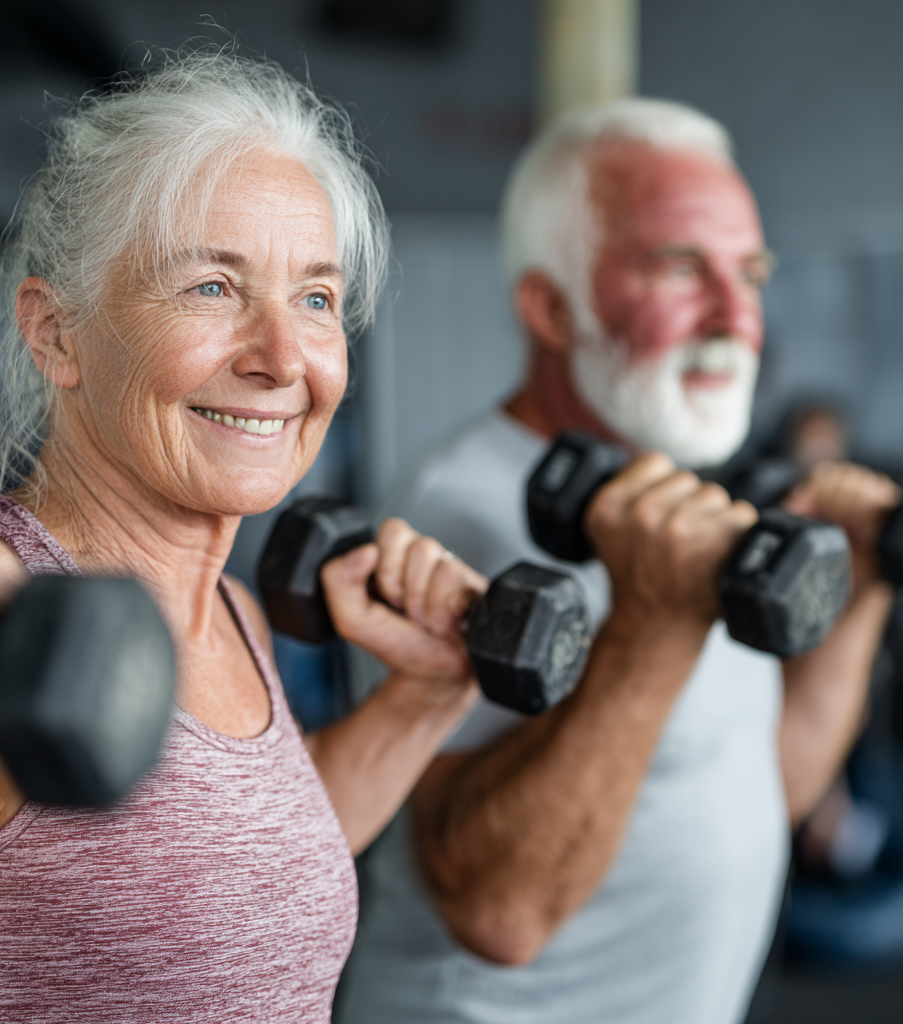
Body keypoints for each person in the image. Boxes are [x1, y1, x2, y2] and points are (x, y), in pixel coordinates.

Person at [0, 49, 496, 1024]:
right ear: (55, 333)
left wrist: (422, 699)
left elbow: (223, 883)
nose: (283, 356)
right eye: (212, 286)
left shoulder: (234, 616)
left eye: (316, 298)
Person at [335, 99, 901, 1024]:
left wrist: (866, 575)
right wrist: (653, 624)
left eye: (749, 274)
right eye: (681, 268)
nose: (735, 318)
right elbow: (496, 912)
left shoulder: (681, 503)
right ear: (551, 308)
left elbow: (763, 785)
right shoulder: (460, 511)